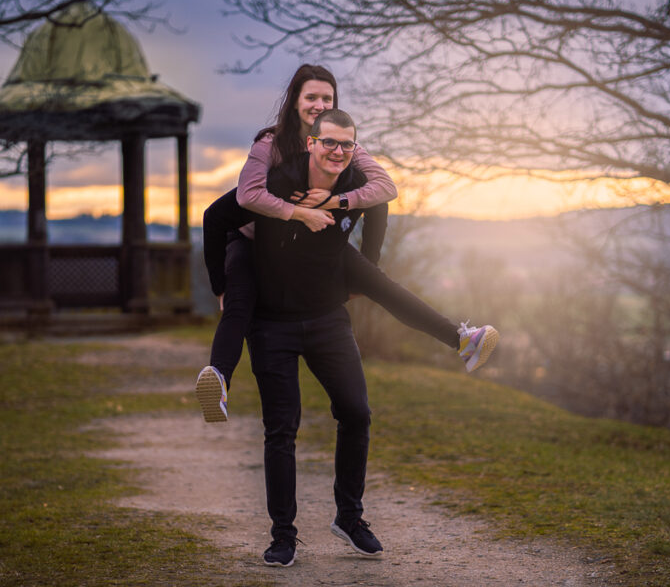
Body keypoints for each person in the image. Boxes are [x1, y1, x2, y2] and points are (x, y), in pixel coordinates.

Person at [196, 64, 499, 424]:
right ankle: (219, 382)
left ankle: (462, 341)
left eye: (327, 97)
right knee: (238, 301)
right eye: (311, 97)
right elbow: (245, 198)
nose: (319, 104)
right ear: (295, 101)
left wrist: (333, 204)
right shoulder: (271, 144)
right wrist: (297, 213)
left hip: (316, 237)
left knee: (382, 285)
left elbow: (384, 190)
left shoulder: (343, 142)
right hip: (252, 238)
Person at [206, 109, 387, 566]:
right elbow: (218, 214)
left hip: (327, 318)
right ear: (310, 140)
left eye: (347, 145)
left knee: (357, 413)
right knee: (281, 430)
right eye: (330, 142)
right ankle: (283, 536)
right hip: (272, 323)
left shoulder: (350, 180)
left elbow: (383, 196)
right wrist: (223, 286)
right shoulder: (271, 178)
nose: (339, 151)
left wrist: (357, 259)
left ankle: (349, 518)